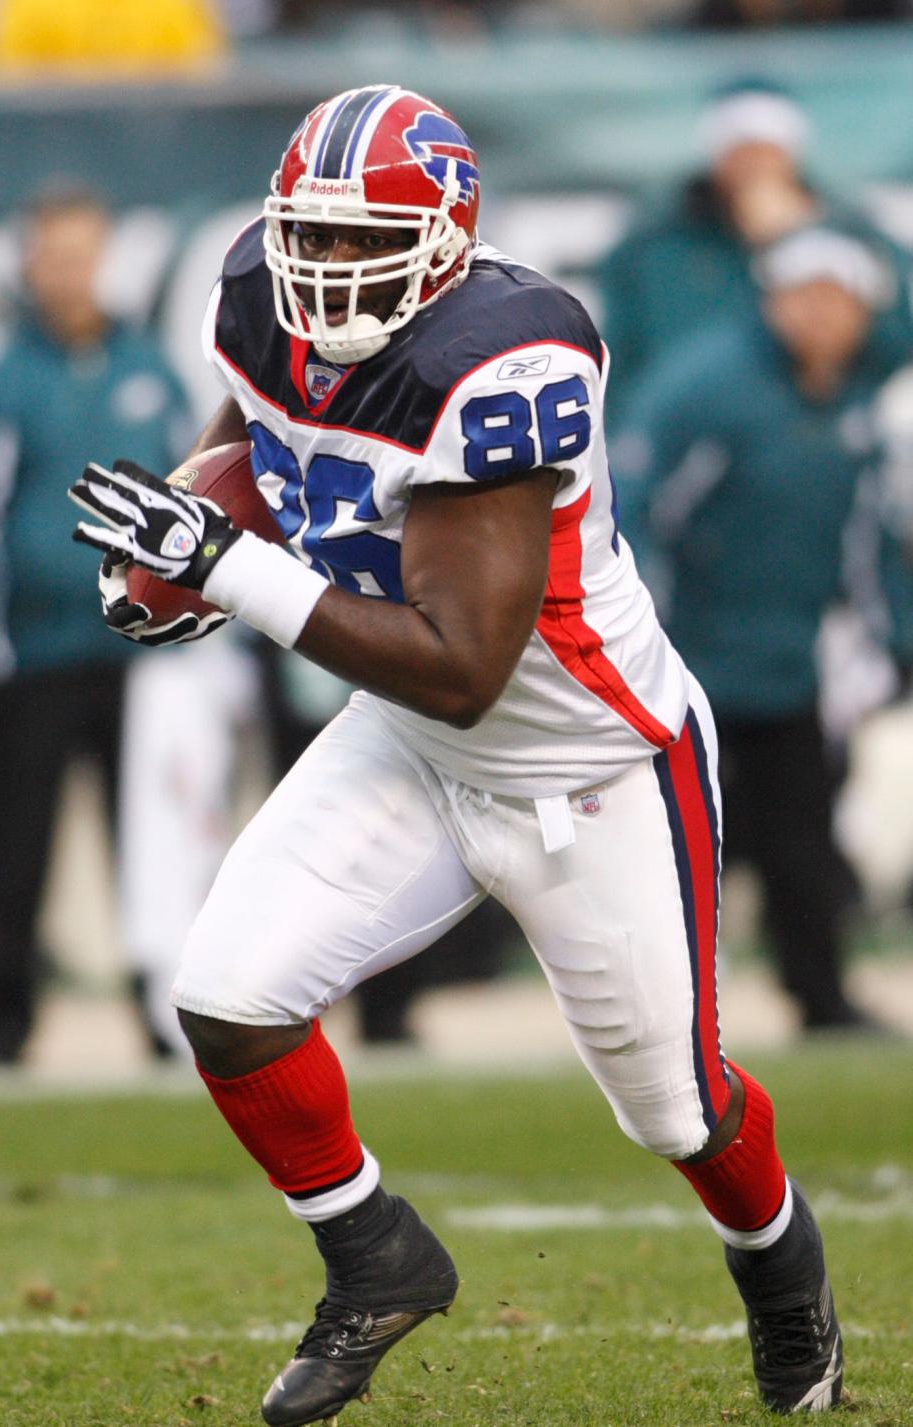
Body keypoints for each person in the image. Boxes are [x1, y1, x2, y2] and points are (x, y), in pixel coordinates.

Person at [69, 85, 844, 1422]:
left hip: (588, 763)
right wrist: (183, 543)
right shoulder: (261, 290)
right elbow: (257, 429)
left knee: (679, 1109)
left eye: (361, 240)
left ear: (448, 239)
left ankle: (784, 1274)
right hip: (409, 742)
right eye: (306, 235)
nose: (323, 269)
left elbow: (468, 667)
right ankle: (375, 1254)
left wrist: (234, 571)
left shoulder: (503, 357)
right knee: (229, 992)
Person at [611, 223, 913, 1035]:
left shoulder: (853, 395)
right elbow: (633, 514)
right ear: (772, 300)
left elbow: (867, 536)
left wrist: (889, 638)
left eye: (841, 298)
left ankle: (820, 996)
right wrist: (637, 642)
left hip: (793, 661)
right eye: (805, 295)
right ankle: (653, 1014)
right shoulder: (704, 388)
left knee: (804, 841)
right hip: (686, 660)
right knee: (671, 844)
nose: (823, 315)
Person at [0, 184, 191, 1064]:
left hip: (144, 660)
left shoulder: (147, 370)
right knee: (20, 857)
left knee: (157, 851)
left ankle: (170, 1024)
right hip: (35, 661)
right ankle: (5, 1031)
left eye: (84, 255)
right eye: (55, 256)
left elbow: (195, 497)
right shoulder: (0, 386)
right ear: (29, 265)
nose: (71, 274)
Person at [588, 77, 912, 430]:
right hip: (685, 433)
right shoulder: (654, 244)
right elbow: (617, 361)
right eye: (741, 151)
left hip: (807, 439)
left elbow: (893, 341)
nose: (754, 166)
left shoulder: (850, 236)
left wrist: (802, 237)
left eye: (767, 151)